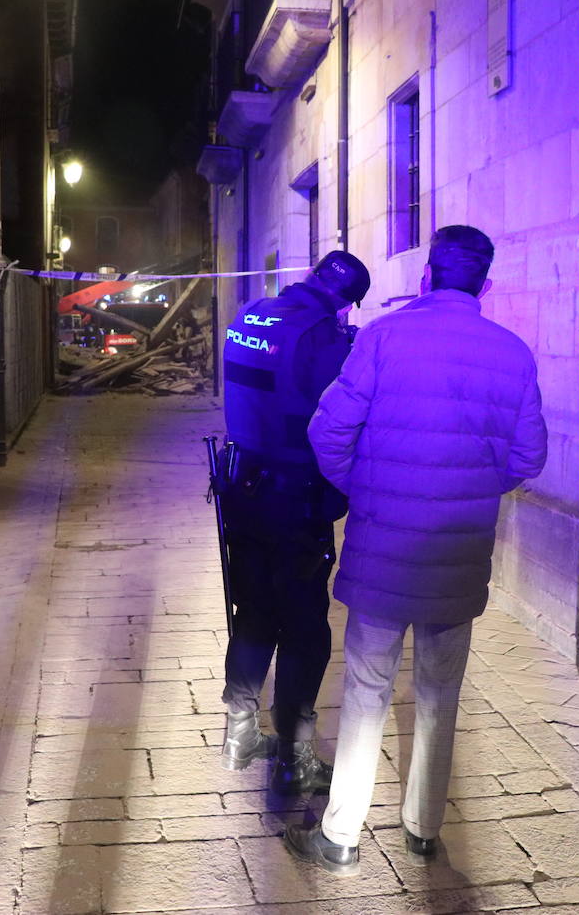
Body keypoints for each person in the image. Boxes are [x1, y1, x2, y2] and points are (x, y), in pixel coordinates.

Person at [283, 225, 547, 874]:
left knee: (368, 687)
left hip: (383, 543)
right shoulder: (513, 353)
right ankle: (424, 829)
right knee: (439, 690)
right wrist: (476, 488)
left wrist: (364, 486)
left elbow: (329, 430)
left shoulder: (382, 336)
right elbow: (529, 456)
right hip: (458, 550)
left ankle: (341, 835)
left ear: (428, 275)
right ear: (483, 283)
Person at [218, 250, 371, 795]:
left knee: (254, 610)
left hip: (241, 490)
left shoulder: (250, 313)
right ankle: (294, 756)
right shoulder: (322, 336)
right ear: (345, 301)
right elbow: (332, 418)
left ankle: (238, 732)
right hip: (294, 497)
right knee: (304, 626)